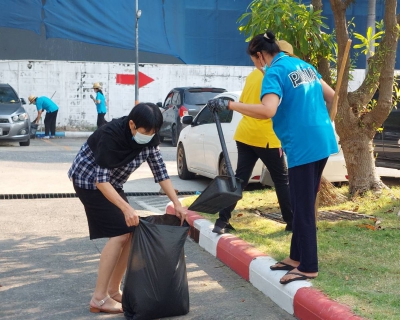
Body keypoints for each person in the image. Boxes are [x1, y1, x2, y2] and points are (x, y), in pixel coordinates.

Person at [207, 31, 338, 285]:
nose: (256, 65)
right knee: (302, 202)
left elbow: (268, 110)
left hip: (303, 146)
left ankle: (308, 266)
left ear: (259, 55)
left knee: (303, 207)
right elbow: (332, 95)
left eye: (254, 60)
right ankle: (295, 258)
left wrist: (231, 105)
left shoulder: (274, 72)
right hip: (321, 139)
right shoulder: (303, 65)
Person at [68, 102, 187, 314]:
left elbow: (159, 170)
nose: (149, 137)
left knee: (130, 232)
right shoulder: (110, 136)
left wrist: (177, 203)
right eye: (145, 132)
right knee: (121, 233)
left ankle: (114, 290)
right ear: (132, 124)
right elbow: (101, 182)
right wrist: (125, 208)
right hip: (89, 181)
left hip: (113, 183)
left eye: (153, 133)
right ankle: (99, 298)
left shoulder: (150, 135)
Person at [212, 42, 296, 235]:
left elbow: (245, 104)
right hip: (266, 136)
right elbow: (274, 109)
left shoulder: (253, 76)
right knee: (282, 180)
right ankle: (292, 222)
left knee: (240, 179)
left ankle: (222, 221)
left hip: (245, 134)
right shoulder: (277, 76)